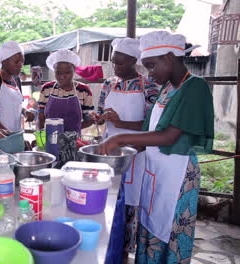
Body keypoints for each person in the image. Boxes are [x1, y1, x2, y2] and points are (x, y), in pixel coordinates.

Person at [98, 31, 214, 263]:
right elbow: (149, 127)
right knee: (151, 223)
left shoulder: (194, 87)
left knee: (170, 228)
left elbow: (169, 135)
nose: (150, 73)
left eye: (152, 66)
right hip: (156, 171)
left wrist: (120, 140)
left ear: (169, 58)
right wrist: (124, 151)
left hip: (177, 173)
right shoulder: (167, 88)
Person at [95, 38, 159, 263]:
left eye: (121, 63)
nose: (116, 68)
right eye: (114, 63)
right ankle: (108, 240)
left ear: (134, 61)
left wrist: (121, 124)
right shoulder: (108, 84)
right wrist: (100, 117)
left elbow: (153, 127)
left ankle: (125, 247)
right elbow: (102, 111)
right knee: (108, 196)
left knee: (130, 201)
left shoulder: (149, 86)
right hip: (108, 151)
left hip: (135, 154)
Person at [37, 49, 94, 134]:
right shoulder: (46, 88)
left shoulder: (84, 90)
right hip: (51, 137)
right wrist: (41, 136)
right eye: (58, 73)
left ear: (74, 70)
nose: (62, 77)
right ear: (54, 72)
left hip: (73, 140)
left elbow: (89, 118)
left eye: (67, 73)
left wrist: (74, 130)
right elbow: (41, 116)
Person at [0, 40, 34, 131]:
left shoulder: (16, 80)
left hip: (15, 134)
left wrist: (25, 111)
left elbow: (13, 105)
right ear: (4, 61)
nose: (20, 65)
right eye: (16, 62)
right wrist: (11, 137)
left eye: (22, 61)